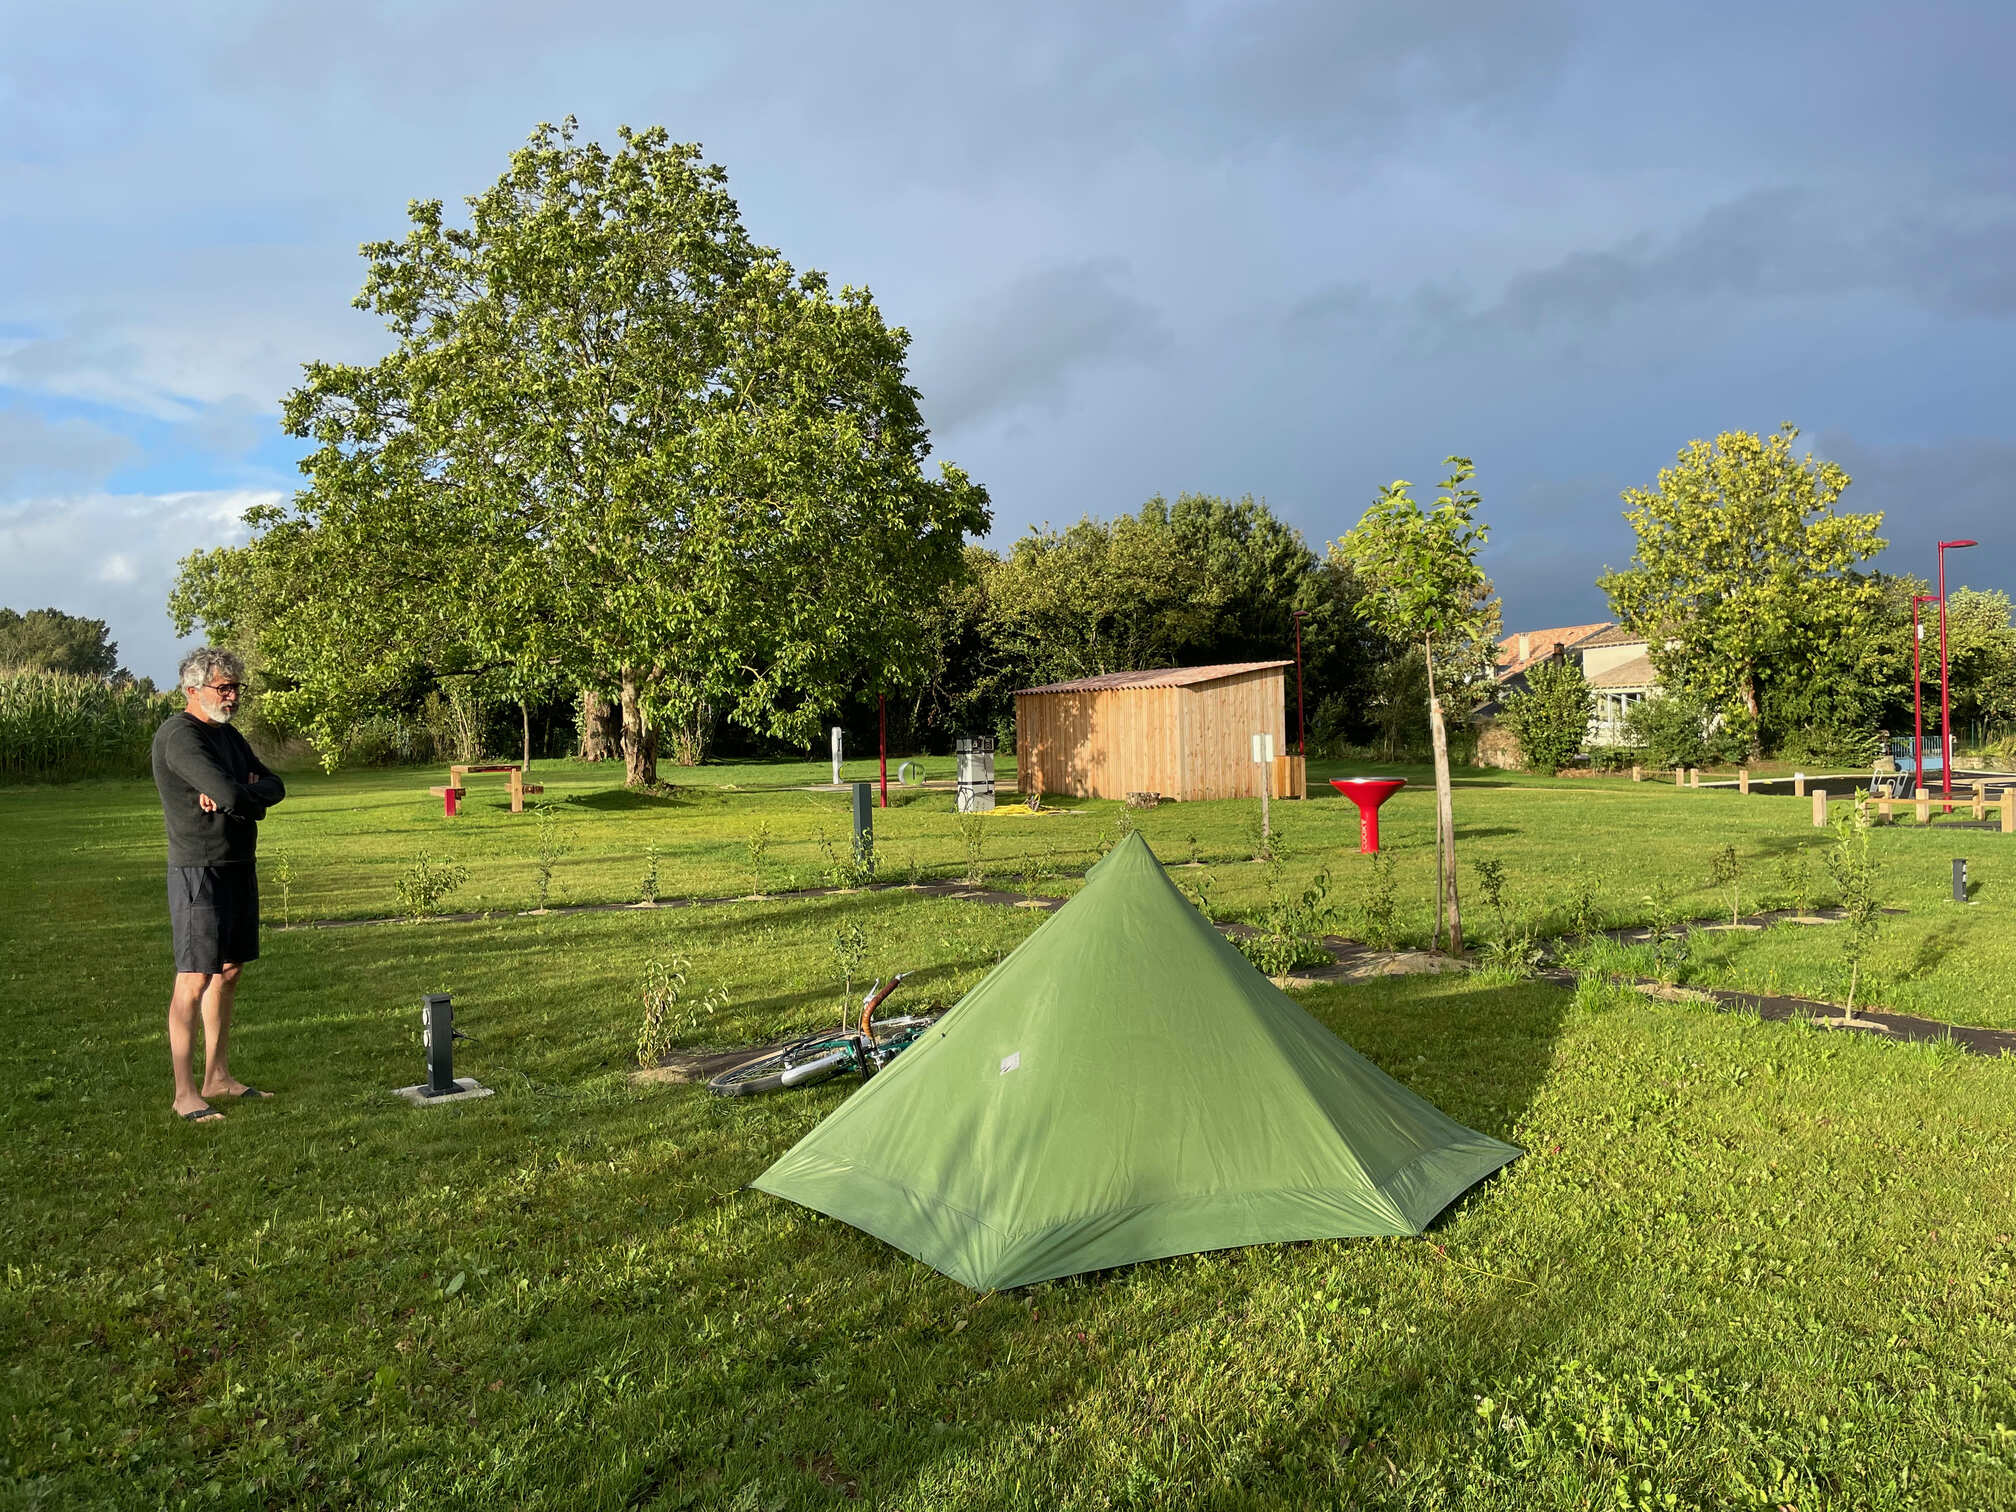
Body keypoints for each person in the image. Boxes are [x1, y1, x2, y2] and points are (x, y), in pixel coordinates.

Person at [152, 648, 286, 1123]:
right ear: (193, 690)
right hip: (198, 869)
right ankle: (185, 1093)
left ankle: (218, 1077)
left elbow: (274, 786)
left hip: (236, 862)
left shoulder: (228, 734)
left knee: (230, 971)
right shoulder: (180, 738)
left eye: (235, 688)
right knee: (194, 978)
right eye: (223, 688)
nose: (232, 696)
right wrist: (240, 792)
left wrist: (244, 795)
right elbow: (234, 792)